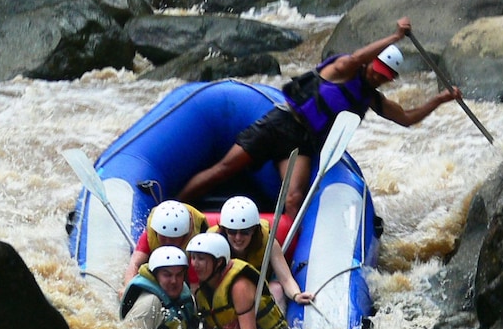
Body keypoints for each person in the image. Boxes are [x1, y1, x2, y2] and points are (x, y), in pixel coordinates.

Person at [176, 16, 462, 219]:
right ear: (371, 63)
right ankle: (177, 205)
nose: (379, 76)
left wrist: (440, 99)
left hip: (302, 144)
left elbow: (407, 119)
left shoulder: (372, 98)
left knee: (294, 199)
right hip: (281, 123)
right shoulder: (344, 68)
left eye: (386, 76)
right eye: (377, 69)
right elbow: (358, 56)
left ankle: (288, 256)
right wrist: (396, 37)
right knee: (225, 169)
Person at [186, 232, 291, 329]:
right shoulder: (204, 291)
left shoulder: (239, 287)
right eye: (194, 258)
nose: (195, 264)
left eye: (201, 259)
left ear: (219, 262)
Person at [210, 195, 313, 307]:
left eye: (245, 232)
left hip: (261, 290)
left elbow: (286, 279)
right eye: (232, 232)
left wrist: (296, 295)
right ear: (225, 230)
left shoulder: (269, 243)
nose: (238, 238)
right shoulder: (212, 243)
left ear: (254, 230)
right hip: (228, 292)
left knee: (277, 289)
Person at [120, 246, 201, 329]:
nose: (174, 281)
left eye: (179, 275)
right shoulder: (148, 304)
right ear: (155, 276)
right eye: (167, 275)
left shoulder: (184, 291)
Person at [121, 199, 208, 290]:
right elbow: (135, 263)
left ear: (184, 235)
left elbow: (195, 285)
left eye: (173, 238)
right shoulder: (152, 233)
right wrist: (127, 289)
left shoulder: (195, 244)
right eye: (163, 237)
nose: (167, 242)